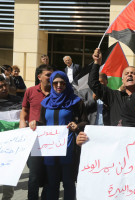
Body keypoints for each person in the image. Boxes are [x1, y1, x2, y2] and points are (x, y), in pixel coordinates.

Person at [29, 71, 88, 200]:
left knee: (68, 182)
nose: (59, 85)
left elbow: (85, 121)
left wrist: (77, 126)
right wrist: (35, 123)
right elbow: (43, 123)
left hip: (68, 147)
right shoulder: (45, 103)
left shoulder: (76, 101)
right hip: (49, 149)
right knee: (51, 183)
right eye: (55, 83)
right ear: (51, 84)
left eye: (62, 82)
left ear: (66, 83)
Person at [20, 64, 53, 200]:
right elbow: (24, 111)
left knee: (49, 174)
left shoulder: (58, 93)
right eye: (48, 75)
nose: (51, 78)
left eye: (52, 75)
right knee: (33, 175)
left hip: (52, 140)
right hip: (34, 140)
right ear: (39, 77)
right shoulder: (30, 91)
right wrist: (22, 127)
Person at [0, 75, 22, 200]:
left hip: (12, 145)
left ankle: (7, 197)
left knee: (10, 173)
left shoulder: (18, 101)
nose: (4, 88)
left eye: (5, 85)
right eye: (0, 86)